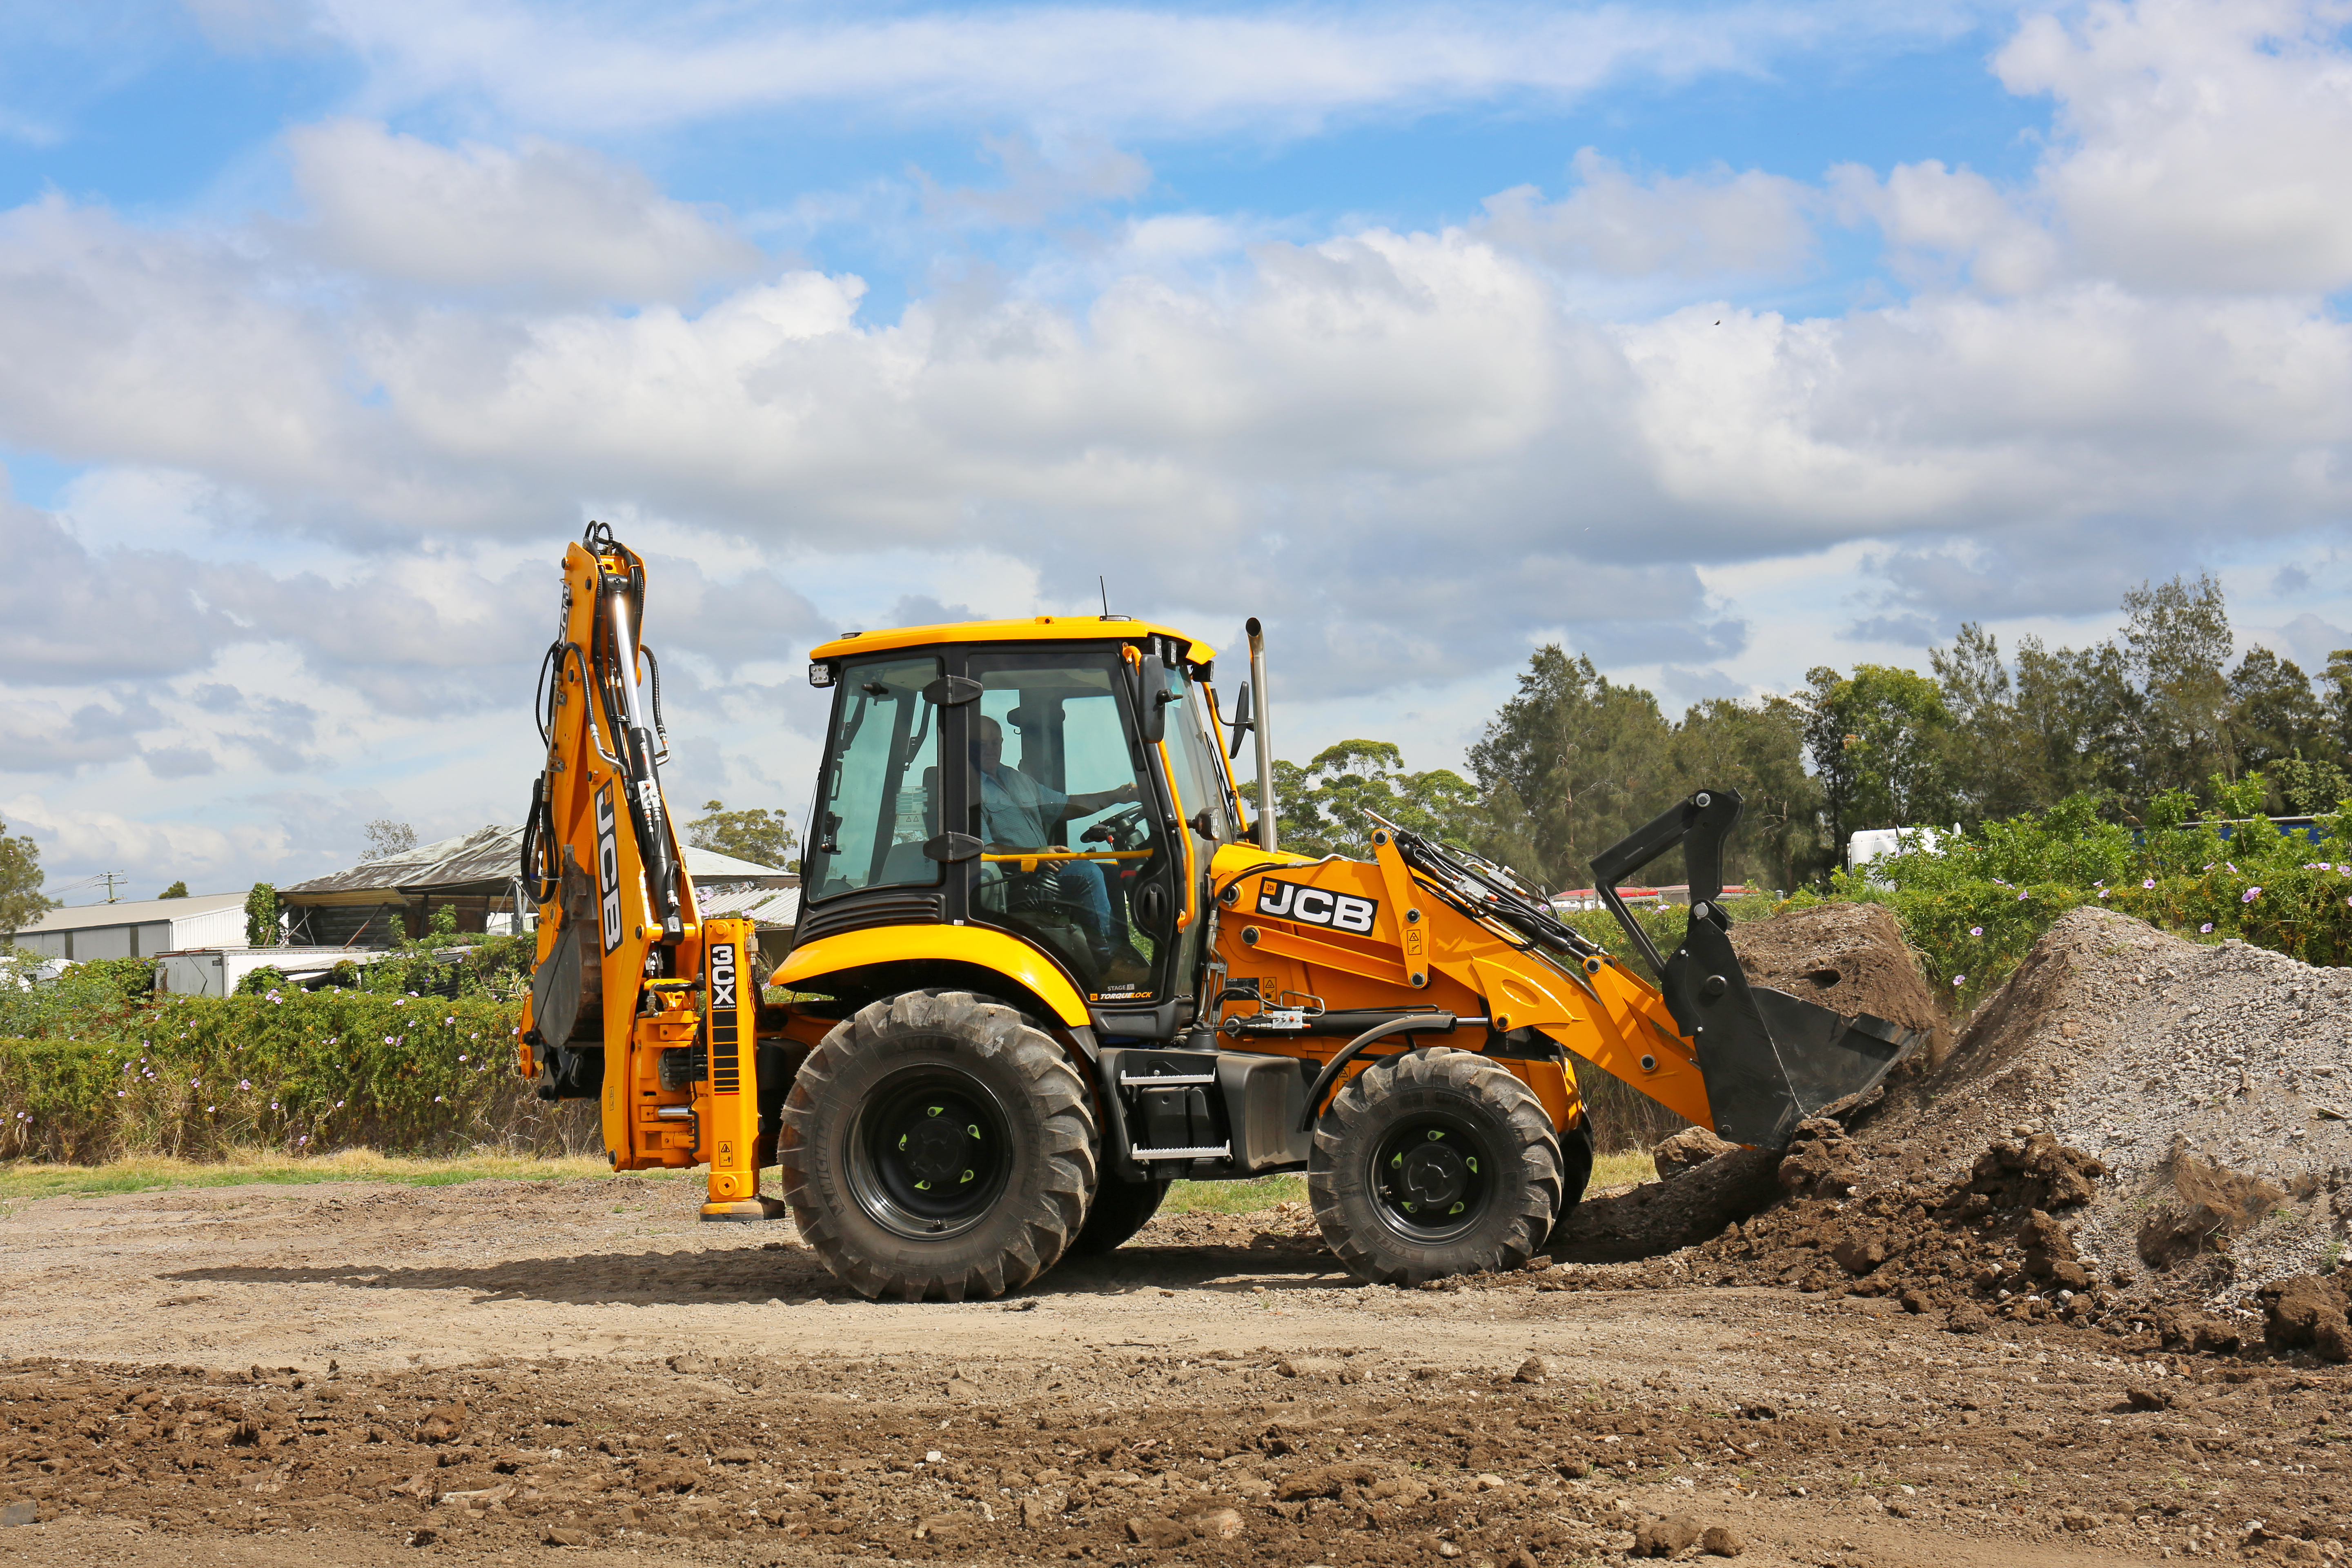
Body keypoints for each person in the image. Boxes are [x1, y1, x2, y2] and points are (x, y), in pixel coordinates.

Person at [973, 715, 1140, 973]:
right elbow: (986, 849)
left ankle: (1123, 954)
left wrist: (1117, 796)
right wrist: (1037, 853)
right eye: (982, 744)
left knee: (1111, 872)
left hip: (1041, 866)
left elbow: (1065, 805)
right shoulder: (968, 790)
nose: (990, 749)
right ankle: (1111, 966)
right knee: (1088, 874)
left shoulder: (1017, 780)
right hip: (1011, 878)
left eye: (995, 743)